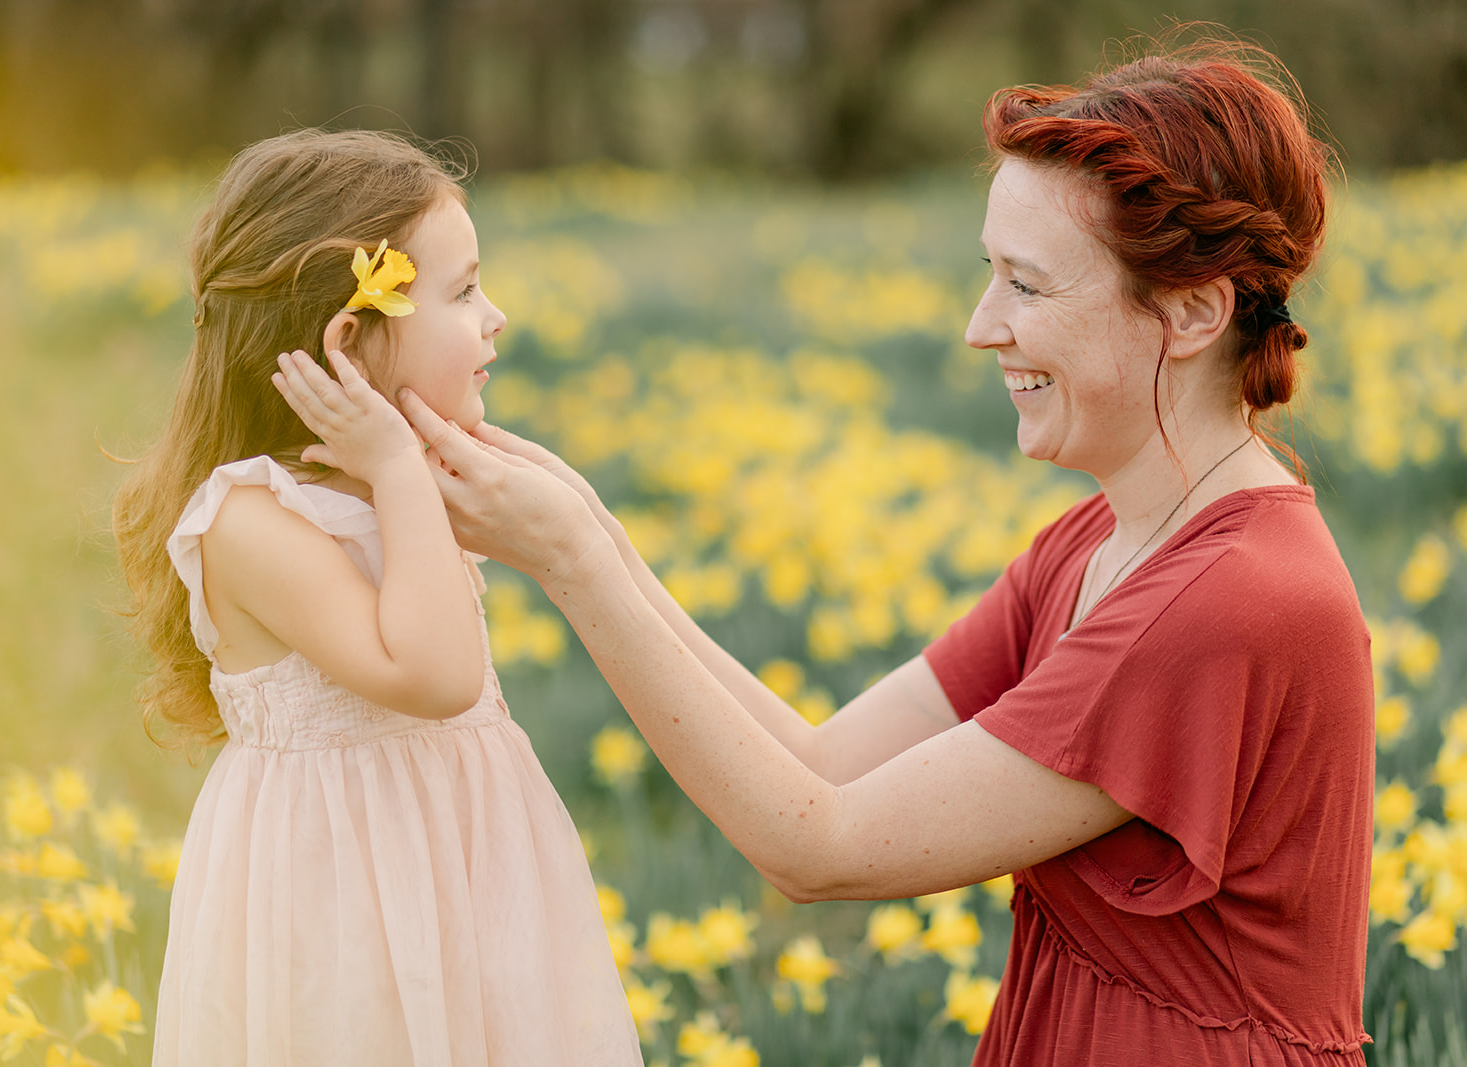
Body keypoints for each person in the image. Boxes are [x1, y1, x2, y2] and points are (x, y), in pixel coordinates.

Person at [296, 38, 1375, 1065]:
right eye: (987, 272)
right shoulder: (1104, 540)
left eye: (1028, 284)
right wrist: (589, 529)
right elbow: (825, 763)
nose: (979, 324)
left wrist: (576, 561)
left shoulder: (1230, 602)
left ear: (1190, 311)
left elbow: (819, 843)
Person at [113, 129, 642, 1067]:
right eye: (466, 289)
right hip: (347, 906)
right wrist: (400, 470)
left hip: (464, 870)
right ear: (348, 341)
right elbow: (434, 674)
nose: (497, 318)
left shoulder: (395, 487)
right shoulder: (248, 521)